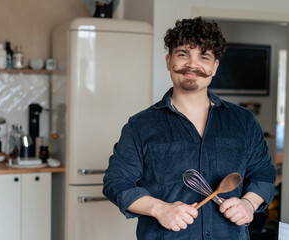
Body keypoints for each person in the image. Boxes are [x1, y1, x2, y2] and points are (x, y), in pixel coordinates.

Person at [103, 16, 276, 239]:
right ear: (169, 61)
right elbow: (116, 183)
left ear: (214, 67)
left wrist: (249, 204)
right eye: (183, 54)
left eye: (203, 57)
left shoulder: (242, 121)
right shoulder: (140, 126)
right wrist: (159, 209)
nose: (192, 65)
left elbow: (263, 173)